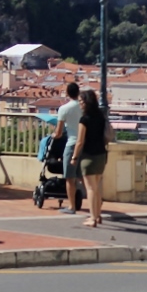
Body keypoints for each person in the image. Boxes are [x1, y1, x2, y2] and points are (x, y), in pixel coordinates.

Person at [74, 88, 109, 228]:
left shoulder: (84, 120)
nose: (80, 104)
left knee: (90, 189)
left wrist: (74, 157)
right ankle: (98, 215)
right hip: (101, 154)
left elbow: (80, 141)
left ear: (86, 102)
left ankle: (93, 218)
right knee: (97, 187)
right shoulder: (101, 116)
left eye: (81, 101)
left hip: (88, 156)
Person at [53, 82, 83, 214]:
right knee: (86, 177)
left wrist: (53, 135)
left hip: (72, 144)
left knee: (70, 178)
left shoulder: (64, 109)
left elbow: (59, 133)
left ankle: (72, 206)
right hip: (86, 145)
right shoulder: (84, 107)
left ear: (67, 93)